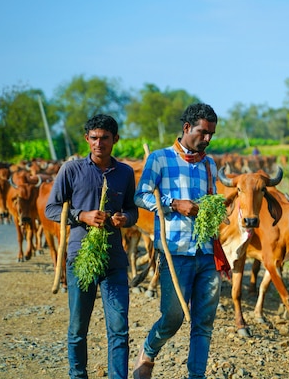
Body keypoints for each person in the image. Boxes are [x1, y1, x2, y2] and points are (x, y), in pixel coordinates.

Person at [45, 114, 139, 379]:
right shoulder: (71, 170)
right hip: (81, 259)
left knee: (119, 327)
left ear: (115, 140)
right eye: (94, 138)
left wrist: (125, 218)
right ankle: (78, 375)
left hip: (114, 260)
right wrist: (82, 216)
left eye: (105, 138)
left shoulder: (124, 173)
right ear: (87, 139)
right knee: (78, 327)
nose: (99, 143)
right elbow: (51, 209)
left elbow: (132, 210)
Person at [133, 103, 222, 379]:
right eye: (203, 133)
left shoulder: (209, 164)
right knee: (173, 318)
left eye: (211, 135)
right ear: (187, 128)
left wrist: (214, 210)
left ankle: (196, 375)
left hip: (207, 252)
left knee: (204, 322)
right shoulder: (160, 159)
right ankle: (148, 351)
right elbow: (141, 196)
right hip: (175, 253)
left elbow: (213, 201)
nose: (207, 139)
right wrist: (174, 204)